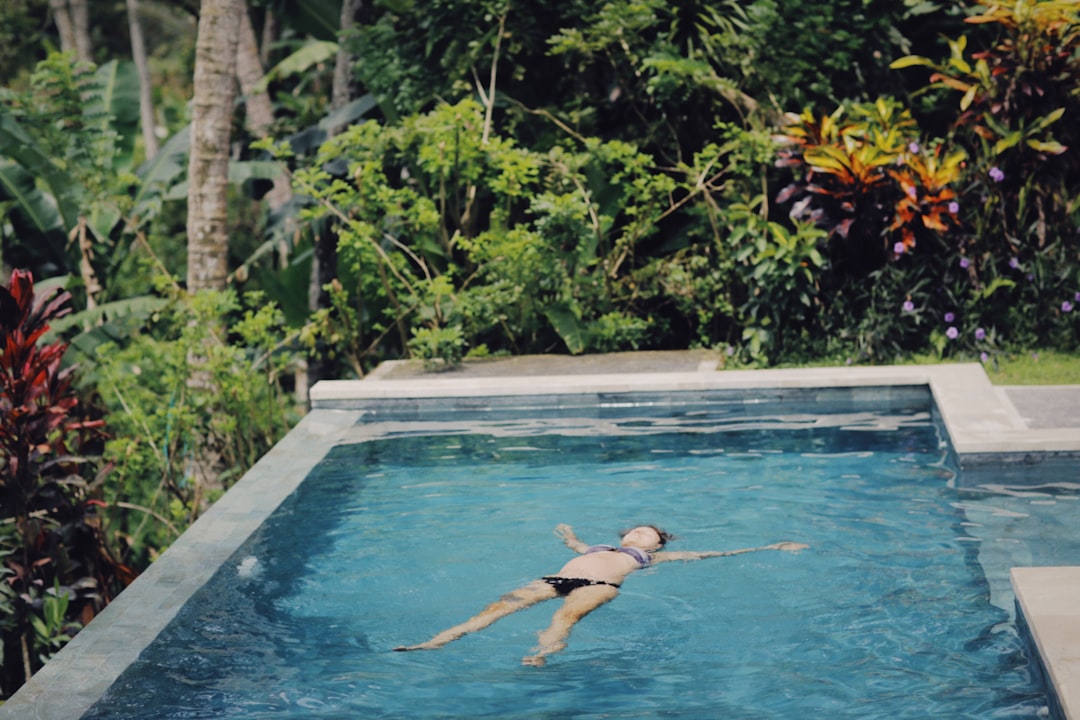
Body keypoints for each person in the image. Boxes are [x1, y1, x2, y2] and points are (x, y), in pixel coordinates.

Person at [394, 523, 808, 666]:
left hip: (600, 588)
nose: (638, 533)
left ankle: (541, 653)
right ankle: (435, 641)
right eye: (635, 530)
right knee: (499, 606)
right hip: (557, 578)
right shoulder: (598, 548)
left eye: (647, 534)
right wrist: (573, 537)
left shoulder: (647, 559)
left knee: (564, 619)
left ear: (655, 546)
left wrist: (770, 547)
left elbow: (709, 554)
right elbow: (575, 549)